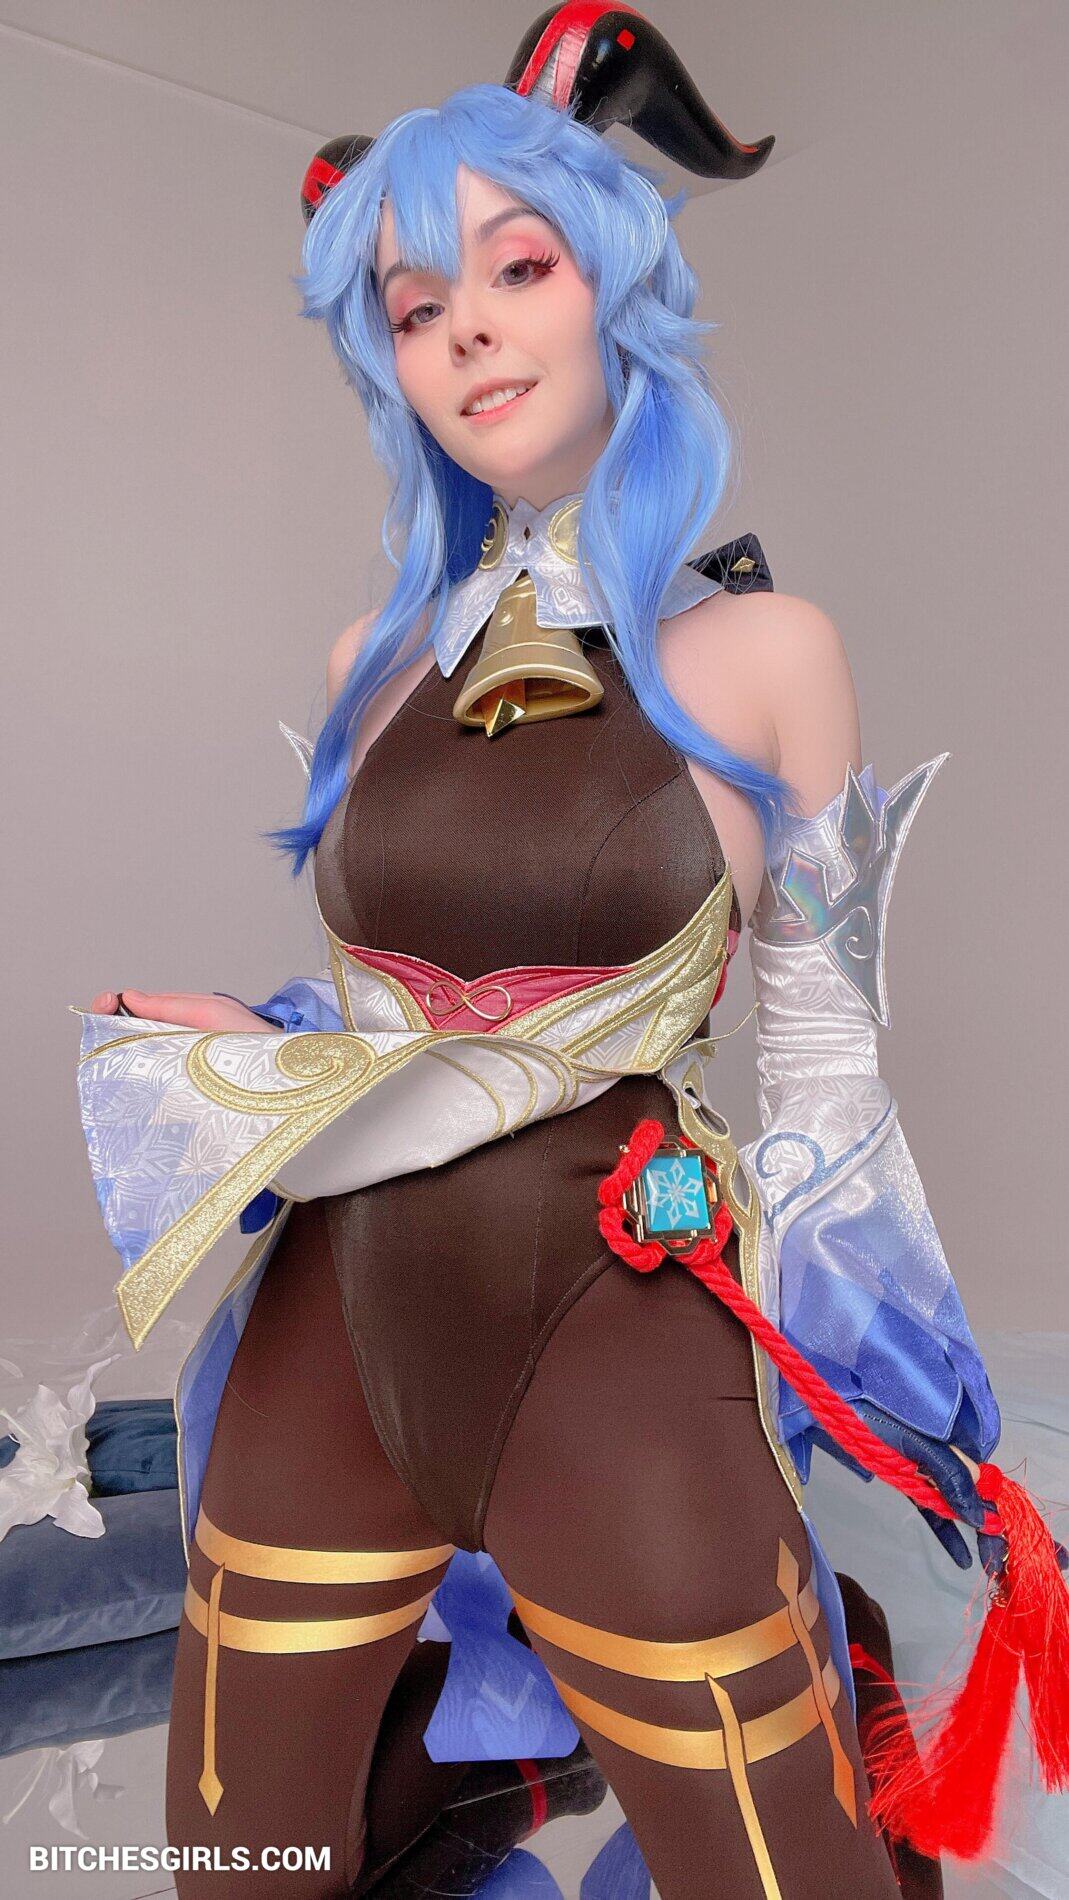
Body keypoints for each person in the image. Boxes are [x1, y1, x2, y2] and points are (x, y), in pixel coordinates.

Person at [80, 10, 1008, 1896]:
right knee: (235, 1872)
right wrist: (255, 1040)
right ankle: (476, 1786)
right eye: (417, 308)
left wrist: (894, 1396)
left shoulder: (771, 656)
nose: (468, 336)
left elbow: (824, 1073)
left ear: (619, 289)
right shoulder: (374, 663)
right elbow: (400, 1003)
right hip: (335, 1331)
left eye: (518, 271)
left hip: (618, 1314)